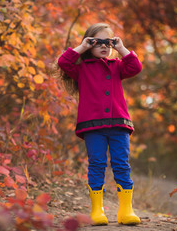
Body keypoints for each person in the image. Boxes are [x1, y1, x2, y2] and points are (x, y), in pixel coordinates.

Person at [57, 23, 142, 226]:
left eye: (108, 42)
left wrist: (121, 48)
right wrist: (83, 46)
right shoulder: (82, 69)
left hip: (118, 125)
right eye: (98, 42)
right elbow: (63, 62)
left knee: (121, 164)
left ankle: (125, 210)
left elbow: (135, 67)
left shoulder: (117, 66)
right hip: (92, 126)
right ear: (90, 44)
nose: (104, 46)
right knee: (97, 164)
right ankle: (97, 210)